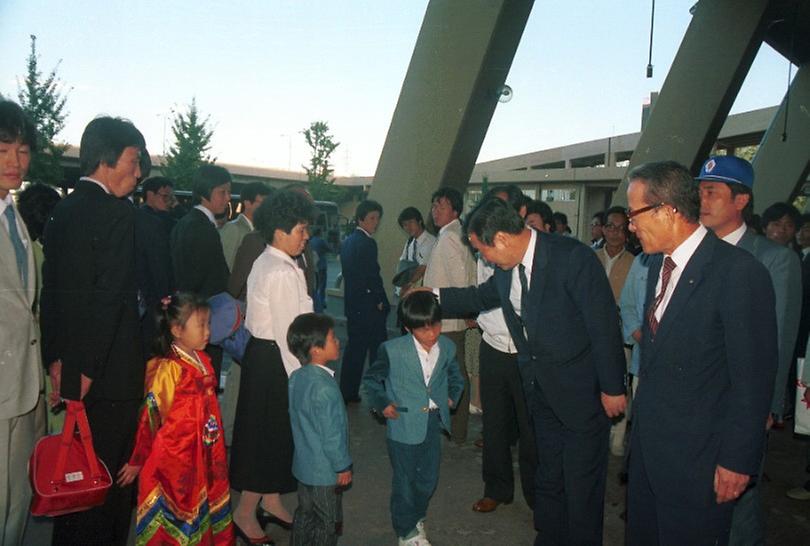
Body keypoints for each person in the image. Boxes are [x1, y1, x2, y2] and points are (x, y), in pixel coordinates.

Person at [431, 197, 626, 545]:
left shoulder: (572, 258)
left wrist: (613, 388)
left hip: (580, 390)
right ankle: (549, 536)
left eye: (482, 251)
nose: (483, 259)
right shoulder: (508, 271)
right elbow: (480, 296)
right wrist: (431, 296)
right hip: (539, 387)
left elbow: (604, 325)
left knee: (581, 480)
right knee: (547, 472)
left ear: (503, 239)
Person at [625, 160, 777, 545]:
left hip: (700, 462)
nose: (630, 225)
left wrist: (737, 462)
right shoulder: (659, 264)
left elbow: (753, 379)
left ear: (667, 211)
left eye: (634, 214)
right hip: (650, 456)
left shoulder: (738, 272)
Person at [41, 116, 146, 546]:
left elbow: (52, 295)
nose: (138, 173)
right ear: (107, 159)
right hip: (110, 377)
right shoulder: (118, 214)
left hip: (71, 367)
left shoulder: (62, 210)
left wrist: (58, 363)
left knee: (75, 481)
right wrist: (87, 370)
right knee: (110, 487)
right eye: (133, 161)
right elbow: (108, 300)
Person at [696, 155, 802, 542]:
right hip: (698, 400)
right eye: (700, 191)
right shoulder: (696, 251)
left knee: (738, 498)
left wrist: (770, 406)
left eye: (712, 192)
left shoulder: (774, 259)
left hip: (744, 402)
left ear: (741, 201)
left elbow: (779, 338)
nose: (702, 200)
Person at [229, 190, 316, 545]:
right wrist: (303, 379)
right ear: (280, 230)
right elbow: (288, 334)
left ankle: (271, 500)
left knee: (273, 437)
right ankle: (245, 513)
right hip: (275, 360)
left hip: (264, 358)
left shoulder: (271, 259)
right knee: (266, 439)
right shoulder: (280, 270)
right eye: (301, 229)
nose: (306, 236)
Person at [117, 293, 233, 545]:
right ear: (177, 330)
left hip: (203, 451)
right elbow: (150, 416)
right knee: (178, 513)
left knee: (204, 505)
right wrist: (138, 460)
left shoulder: (202, 360)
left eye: (208, 324)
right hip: (174, 459)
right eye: (201, 325)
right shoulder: (169, 369)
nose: (207, 332)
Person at [363, 292, 464, 546]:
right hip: (403, 425)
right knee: (405, 481)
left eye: (436, 326)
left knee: (428, 478)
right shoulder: (392, 350)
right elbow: (371, 380)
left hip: (432, 423)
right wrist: (383, 403)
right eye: (423, 330)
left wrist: (452, 397)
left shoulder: (448, 348)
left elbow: (455, 376)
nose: (431, 334)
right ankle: (406, 531)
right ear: (408, 328)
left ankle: (416, 516)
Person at [0, 100, 43, 546]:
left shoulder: (14, 215)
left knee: (15, 504)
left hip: (22, 388)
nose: (15, 161)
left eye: (23, 149)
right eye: (3, 149)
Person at [287, 313, 353, 546]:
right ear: (316, 349)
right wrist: (342, 465)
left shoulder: (296, 378)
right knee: (328, 521)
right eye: (332, 338)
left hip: (304, 466)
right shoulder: (326, 388)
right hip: (325, 472)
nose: (337, 342)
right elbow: (332, 434)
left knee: (305, 515)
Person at [423, 187, 476, 444]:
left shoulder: (449, 238)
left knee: (454, 376)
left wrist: (466, 310)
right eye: (434, 205)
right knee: (451, 374)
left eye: (441, 206)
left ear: (455, 210)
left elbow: (459, 281)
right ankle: (454, 428)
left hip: (448, 320)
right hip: (448, 318)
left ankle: (456, 430)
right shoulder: (453, 234)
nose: (435, 210)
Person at [170, 164, 232, 379]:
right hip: (201, 319)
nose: (227, 198)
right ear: (206, 192)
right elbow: (201, 278)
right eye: (222, 192)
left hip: (187, 320)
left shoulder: (185, 223)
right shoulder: (203, 228)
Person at [339, 199, 390, 403]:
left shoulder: (348, 241)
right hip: (369, 305)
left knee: (355, 350)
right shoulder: (368, 243)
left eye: (377, 218)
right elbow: (372, 275)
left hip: (353, 305)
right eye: (371, 218)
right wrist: (380, 300)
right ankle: (378, 392)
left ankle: (348, 391)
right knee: (378, 351)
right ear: (360, 219)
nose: (375, 222)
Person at [594, 206, 635, 457]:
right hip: (592, 336)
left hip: (621, 336)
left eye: (620, 228)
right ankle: (598, 434)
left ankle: (617, 439)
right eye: (610, 226)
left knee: (620, 386)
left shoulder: (636, 262)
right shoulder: (591, 256)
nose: (614, 232)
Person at [220, 181, 271, 271]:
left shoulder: (261, 230)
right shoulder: (233, 228)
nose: (266, 208)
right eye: (263, 203)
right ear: (247, 203)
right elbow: (225, 267)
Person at [396, 206, 436, 290]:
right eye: (405, 225)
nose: (408, 227)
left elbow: (423, 267)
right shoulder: (410, 242)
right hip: (410, 287)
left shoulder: (430, 241)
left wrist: (409, 285)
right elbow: (402, 264)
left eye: (411, 222)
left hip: (424, 287)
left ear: (420, 221)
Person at [308, 227, 331, 312]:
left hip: (314, 266)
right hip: (321, 264)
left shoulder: (310, 241)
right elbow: (329, 248)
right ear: (319, 233)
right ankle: (321, 303)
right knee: (322, 285)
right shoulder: (321, 241)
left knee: (316, 285)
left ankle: (316, 303)